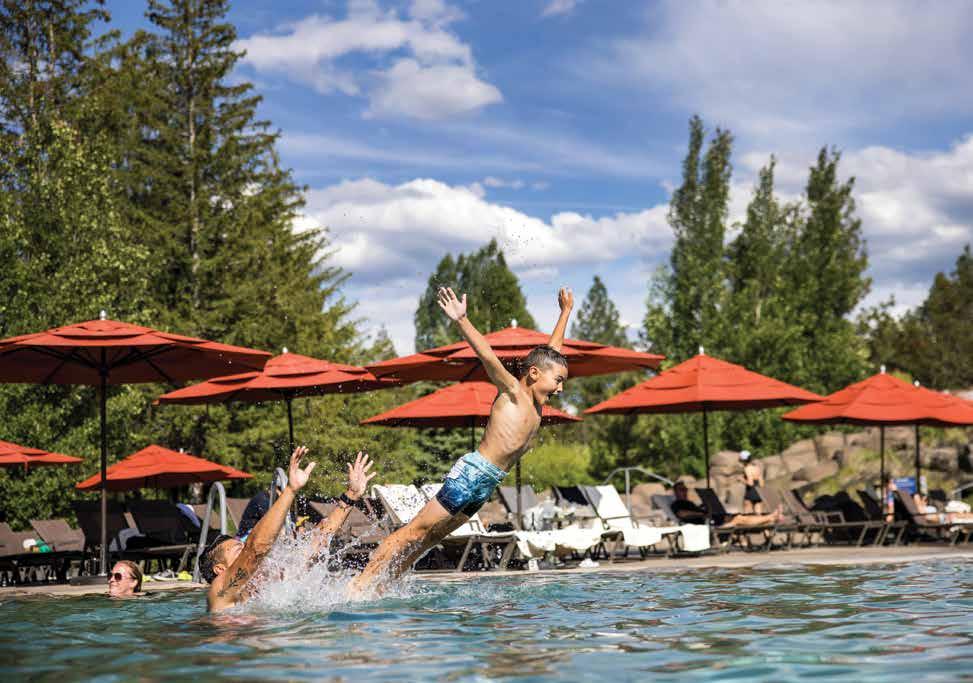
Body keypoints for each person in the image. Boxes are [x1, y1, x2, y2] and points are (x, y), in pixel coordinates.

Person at [349, 286, 574, 595]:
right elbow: (487, 355)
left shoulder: (537, 401)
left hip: (486, 483)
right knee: (414, 531)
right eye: (559, 381)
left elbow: (552, 355)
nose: (561, 389)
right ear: (534, 374)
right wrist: (461, 319)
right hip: (472, 474)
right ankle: (356, 586)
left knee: (431, 539)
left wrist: (565, 313)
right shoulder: (513, 391)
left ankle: (384, 586)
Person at [200, 448, 375, 612]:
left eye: (243, 547)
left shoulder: (268, 586)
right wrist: (290, 490)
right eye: (239, 549)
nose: (244, 550)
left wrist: (351, 495)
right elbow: (254, 550)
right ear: (220, 569)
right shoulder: (219, 594)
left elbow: (316, 542)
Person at [670, 481, 781, 527]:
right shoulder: (676, 504)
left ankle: (769, 518)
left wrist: (704, 508)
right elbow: (682, 514)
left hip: (713, 518)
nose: (685, 492)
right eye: (682, 490)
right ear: (675, 492)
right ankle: (770, 517)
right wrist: (702, 514)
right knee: (738, 519)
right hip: (707, 523)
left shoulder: (689, 503)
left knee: (739, 516)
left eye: (685, 489)